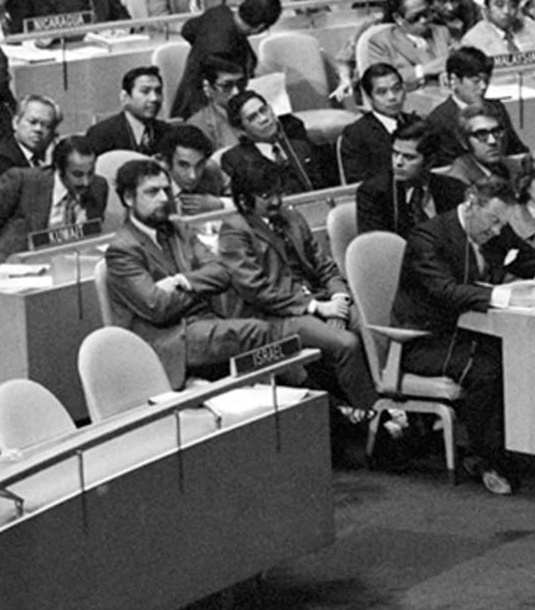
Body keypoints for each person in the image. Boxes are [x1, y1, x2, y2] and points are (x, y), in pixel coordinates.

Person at [392, 177, 535, 495]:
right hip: (425, 341)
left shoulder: (494, 228)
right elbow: (447, 291)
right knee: (488, 368)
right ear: (471, 204)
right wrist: (507, 296)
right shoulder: (427, 237)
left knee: (523, 353)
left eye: (501, 224)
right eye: (493, 221)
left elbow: (533, 257)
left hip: (473, 331)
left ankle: (528, 445)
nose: (497, 231)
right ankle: (487, 459)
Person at [217, 155, 377, 417]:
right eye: (266, 196)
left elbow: (324, 266)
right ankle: (373, 416)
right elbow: (257, 290)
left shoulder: (292, 217)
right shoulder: (234, 231)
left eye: (278, 192)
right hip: (279, 315)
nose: (276, 201)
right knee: (346, 343)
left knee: (369, 327)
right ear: (244, 199)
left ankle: (393, 401)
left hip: (322, 299)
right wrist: (316, 308)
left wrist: (339, 298)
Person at [103, 159, 276, 388]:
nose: (163, 198)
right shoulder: (122, 249)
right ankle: (286, 397)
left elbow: (222, 271)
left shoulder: (178, 228)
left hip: (205, 324)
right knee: (258, 331)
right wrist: (202, 287)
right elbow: (157, 307)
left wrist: (181, 281)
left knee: (269, 324)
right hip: (170, 339)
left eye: (166, 190)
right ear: (128, 198)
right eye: (152, 192)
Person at [0, 134, 109, 265]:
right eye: (77, 175)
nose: (86, 182)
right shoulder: (20, 182)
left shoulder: (98, 186)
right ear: (59, 169)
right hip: (20, 267)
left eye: (90, 173)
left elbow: (92, 235)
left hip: (74, 266)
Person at [171, 0, 282, 117]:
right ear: (260, 27)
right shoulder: (226, 53)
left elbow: (187, 30)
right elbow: (231, 92)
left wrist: (202, 46)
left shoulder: (218, 12)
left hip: (187, 100)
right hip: (207, 114)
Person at [355, 120, 466, 236]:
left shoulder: (454, 189)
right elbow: (378, 242)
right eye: (395, 153)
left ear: (430, 161)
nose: (398, 162)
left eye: (408, 157)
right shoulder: (373, 193)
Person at [219, 88, 323, 193]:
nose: (264, 119)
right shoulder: (236, 159)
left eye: (264, 110)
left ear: (271, 109)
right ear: (241, 130)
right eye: (253, 117)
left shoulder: (300, 147)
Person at [339, 63, 419, 185]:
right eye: (382, 92)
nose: (392, 97)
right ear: (368, 97)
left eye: (396, 89)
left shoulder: (416, 123)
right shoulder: (356, 135)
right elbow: (357, 182)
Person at [84, 66, 166, 156]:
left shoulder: (168, 132)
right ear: (125, 97)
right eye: (145, 91)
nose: (154, 98)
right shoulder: (101, 134)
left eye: (158, 91)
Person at [155, 123, 231, 215]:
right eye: (184, 165)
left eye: (199, 165)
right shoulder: (152, 181)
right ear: (166, 163)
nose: (193, 176)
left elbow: (242, 202)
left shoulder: (210, 171)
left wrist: (220, 204)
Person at [0, 94, 60, 181]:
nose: (38, 129)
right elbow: (21, 189)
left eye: (47, 125)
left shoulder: (51, 154)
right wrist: (48, 168)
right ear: (15, 123)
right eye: (32, 122)